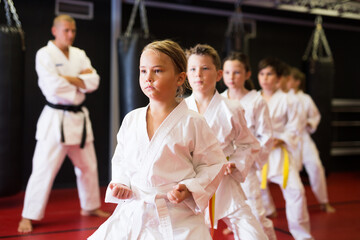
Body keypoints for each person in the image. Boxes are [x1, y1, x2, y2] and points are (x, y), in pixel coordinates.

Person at [88, 40, 228, 240]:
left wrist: (188, 189)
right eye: (143, 71)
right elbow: (121, 160)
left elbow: (213, 164)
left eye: (157, 71)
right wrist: (121, 183)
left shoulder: (193, 122)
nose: (148, 78)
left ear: (180, 78)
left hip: (176, 215)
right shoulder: (132, 119)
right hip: (135, 210)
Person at [18, 14, 109, 233]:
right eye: (66, 30)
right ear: (54, 30)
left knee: (88, 167)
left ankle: (90, 206)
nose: (70, 34)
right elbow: (52, 87)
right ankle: (28, 215)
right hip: (55, 120)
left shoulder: (79, 54)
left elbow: (94, 81)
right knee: (43, 169)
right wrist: (79, 80)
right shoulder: (44, 54)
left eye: (73, 31)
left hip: (79, 119)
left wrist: (66, 77)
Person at [185, 44, 268, 240]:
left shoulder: (232, 108)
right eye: (193, 69)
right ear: (186, 74)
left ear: (218, 74)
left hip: (225, 182)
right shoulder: (179, 109)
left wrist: (236, 163)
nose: (199, 74)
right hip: (190, 185)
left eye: (205, 68)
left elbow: (249, 144)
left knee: (255, 235)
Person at [221, 51, 277, 240]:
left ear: (247, 74)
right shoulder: (218, 100)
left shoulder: (256, 101)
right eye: (227, 72)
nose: (231, 77)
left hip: (246, 165)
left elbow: (266, 136)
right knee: (233, 217)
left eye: (236, 72)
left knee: (256, 216)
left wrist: (247, 161)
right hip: (223, 168)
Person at [257, 57, 314, 240]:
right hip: (258, 154)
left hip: (281, 154)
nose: (265, 78)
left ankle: (302, 235)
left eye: (270, 74)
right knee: (250, 195)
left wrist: (280, 140)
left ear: (279, 78)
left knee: (296, 192)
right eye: (262, 73)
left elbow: (296, 127)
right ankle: (249, 230)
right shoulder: (252, 99)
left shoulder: (289, 100)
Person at [287, 67, 335, 213]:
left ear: (297, 82)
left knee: (316, 167)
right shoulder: (281, 97)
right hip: (288, 140)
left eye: (289, 79)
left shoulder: (306, 99)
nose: (286, 82)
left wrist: (310, 123)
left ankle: (324, 201)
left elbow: (315, 116)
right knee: (290, 174)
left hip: (304, 138)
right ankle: (290, 207)